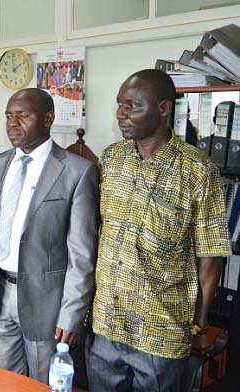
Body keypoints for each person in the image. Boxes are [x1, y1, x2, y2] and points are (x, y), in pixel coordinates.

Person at [86, 69, 231, 391]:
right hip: (106, 324)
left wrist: (200, 321)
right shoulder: (112, 159)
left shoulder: (197, 169)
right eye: (119, 105)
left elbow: (211, 253)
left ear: (163, 108)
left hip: (161, 332)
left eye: (132, 107)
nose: (121, 115)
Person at [0, 88, 99, 383]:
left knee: (43, 383)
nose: (13, 124)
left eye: (23, 116)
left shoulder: (77, 171)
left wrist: (72, 313)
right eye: (9, 116)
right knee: (7, 382)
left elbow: (82, 254)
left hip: (46, 303)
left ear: (48, 118)